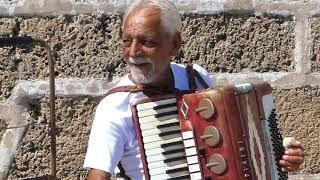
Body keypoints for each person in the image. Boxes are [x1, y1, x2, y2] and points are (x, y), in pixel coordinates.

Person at [83, 0, 304, 179]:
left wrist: (278, 155)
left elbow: (230, 146)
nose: (133, 52)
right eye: (126, 41)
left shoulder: (195, 77)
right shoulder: (114, 107)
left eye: (147, 42)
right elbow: (97, 175)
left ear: (175, 44)